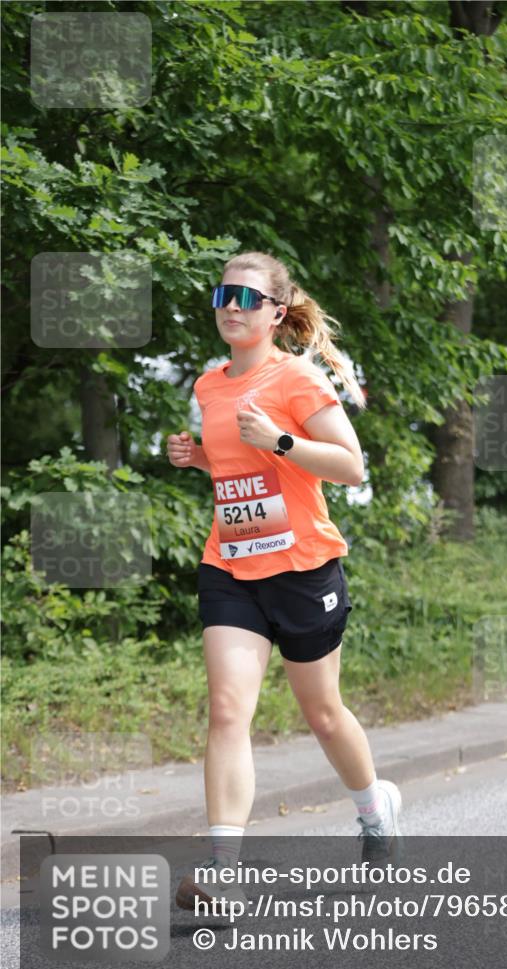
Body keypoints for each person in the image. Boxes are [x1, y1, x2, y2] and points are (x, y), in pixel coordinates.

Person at [167, 251, 402, 913]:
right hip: (231, 568)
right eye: (223, 295)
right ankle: (220, 872)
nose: (231, 307)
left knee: (322, 714)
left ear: (275, 311)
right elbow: (233, 467)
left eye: (246, 297)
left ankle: (374, 813)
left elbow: (349, 466)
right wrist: (199, 457)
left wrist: (280, 441)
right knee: (225, 711)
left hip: (302, 570)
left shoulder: (295, 379)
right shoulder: (208, 386)